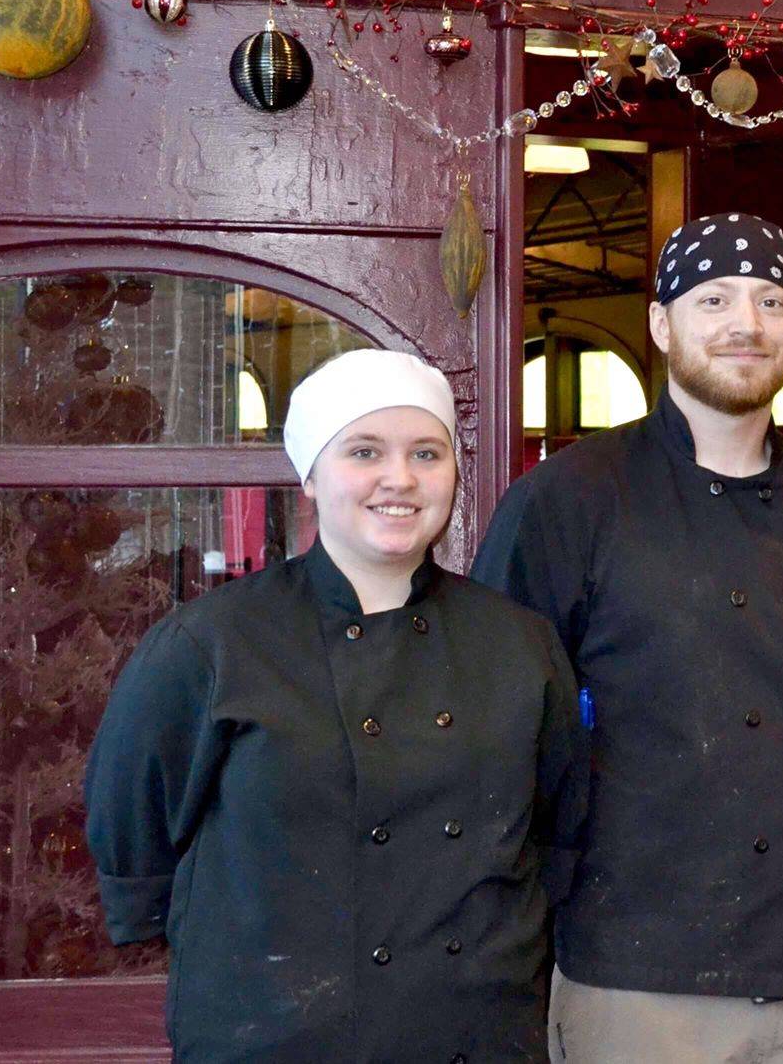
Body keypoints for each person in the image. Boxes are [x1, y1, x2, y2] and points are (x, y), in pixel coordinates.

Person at [84, 348, 588, 1063]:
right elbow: (131, 826)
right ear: (311, 476)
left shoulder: (520, 642)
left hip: (475, 1031)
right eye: (364, 450)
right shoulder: (212, 643)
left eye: (426, 452)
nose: (400, 478)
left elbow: (557, 831)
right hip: (274, 1036)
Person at [472, 213, 783, 1064]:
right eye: (715, 298)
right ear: (662, 325)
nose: (747, 322)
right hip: (637, 967)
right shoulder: (567, 500)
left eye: (772, 300)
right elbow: (496, 726)